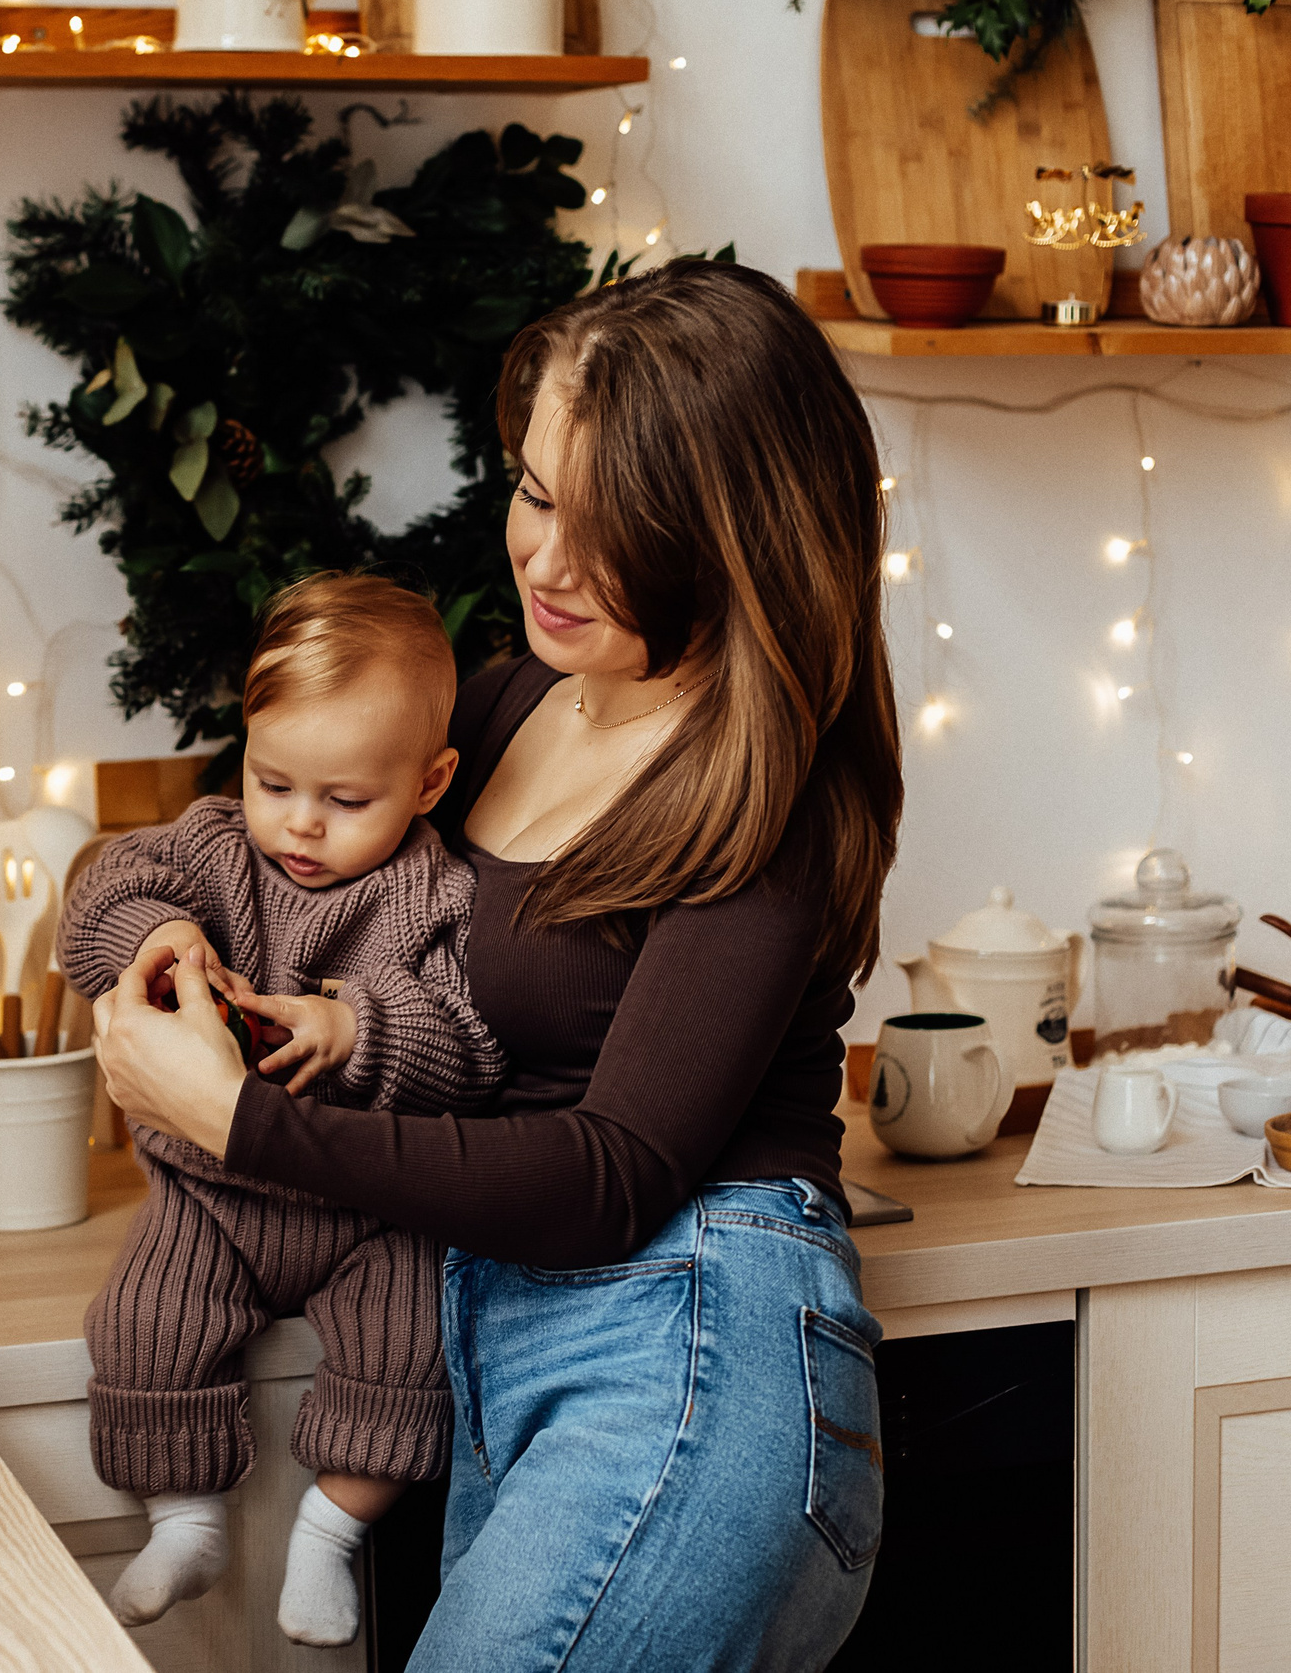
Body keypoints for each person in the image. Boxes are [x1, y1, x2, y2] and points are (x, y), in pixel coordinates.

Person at [90, 258, 905, 1672]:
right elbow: (274, 841)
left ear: (738, 533)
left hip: (691, 1338)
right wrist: (168, 939)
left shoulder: (760, 786)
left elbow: (612, 1172)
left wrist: (240, 1118)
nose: (547, 560)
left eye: (615, 525)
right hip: (493, 1344)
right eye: (536, 492)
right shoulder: (510, 694)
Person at [58, 572, 506, 1648]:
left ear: (430, 780)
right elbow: (96, 908)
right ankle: (184, 1521)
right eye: (275, 782)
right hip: (209, 1198)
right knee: (141, 1324)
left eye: (346, 800)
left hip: (369, 1216)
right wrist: (159, 936)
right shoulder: (212, 848)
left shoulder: (439, 897)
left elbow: (471, 1044)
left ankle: (328, 1534)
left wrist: (358, 1031)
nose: (300, 824)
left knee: (412, 1353)